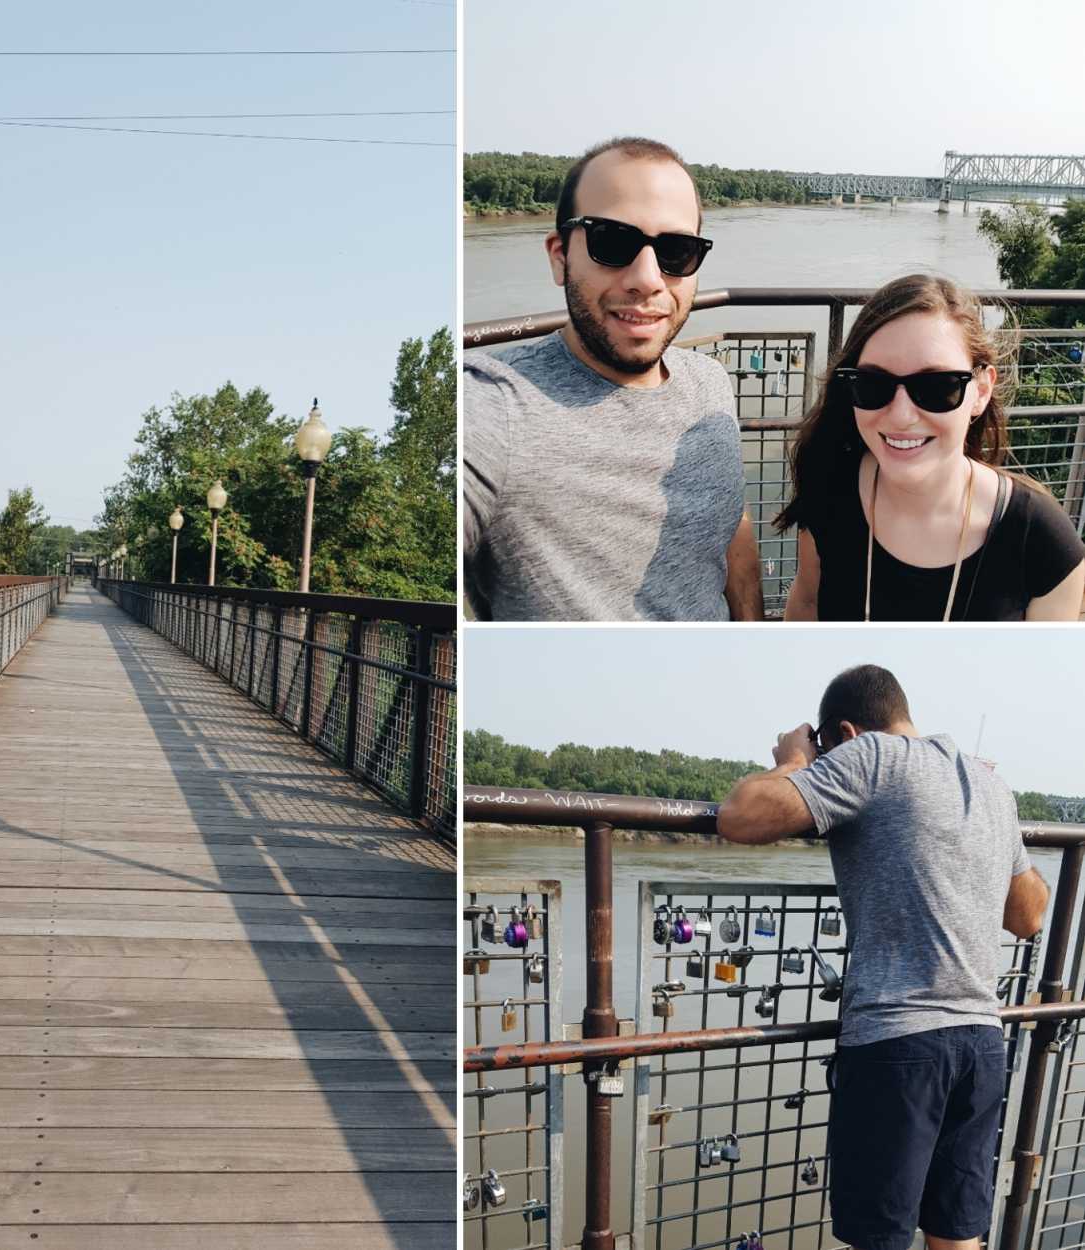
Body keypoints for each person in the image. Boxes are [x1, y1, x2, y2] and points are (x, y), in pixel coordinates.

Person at [716, 664, 1049, 1250]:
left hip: (898, 1045)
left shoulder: (871, 755)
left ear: (845, 733)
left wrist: (795, 761)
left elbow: (740, 816)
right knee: (957, 1235)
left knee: (880, 1238)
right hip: (980, 1041)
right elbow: (1029, 915)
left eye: (825, 748)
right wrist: (989, 854)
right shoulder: (989, 784)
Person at [464, 136, 763, 621]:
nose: (647, 278)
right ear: (560, 257)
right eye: (613, 242)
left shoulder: (712, 385)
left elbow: (733, 531)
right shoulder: (497, 406)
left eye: (677, 251)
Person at [777, 273, 1085, 621]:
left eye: (938, 387)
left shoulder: (1042, 539)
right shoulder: (830, 489)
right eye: (873, 385)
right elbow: (806, 604)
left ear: (981, 391)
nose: (901, 415)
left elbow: (1041, 673)